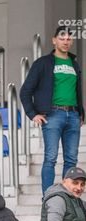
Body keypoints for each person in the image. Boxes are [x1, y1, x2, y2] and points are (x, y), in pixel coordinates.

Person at [20, 26, 84, 195]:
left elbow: (77, 91)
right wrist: (33, 114)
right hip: (53, 114)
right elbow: (25, 91)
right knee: (51, 158)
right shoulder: (42, 63)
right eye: (62, 38)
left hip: (73, 115)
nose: (66, 41)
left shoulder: (74, 63)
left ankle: (67, 198)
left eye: (69, 38)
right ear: (54, 40)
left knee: (71, 159)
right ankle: (48, 198)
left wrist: (80, 112)